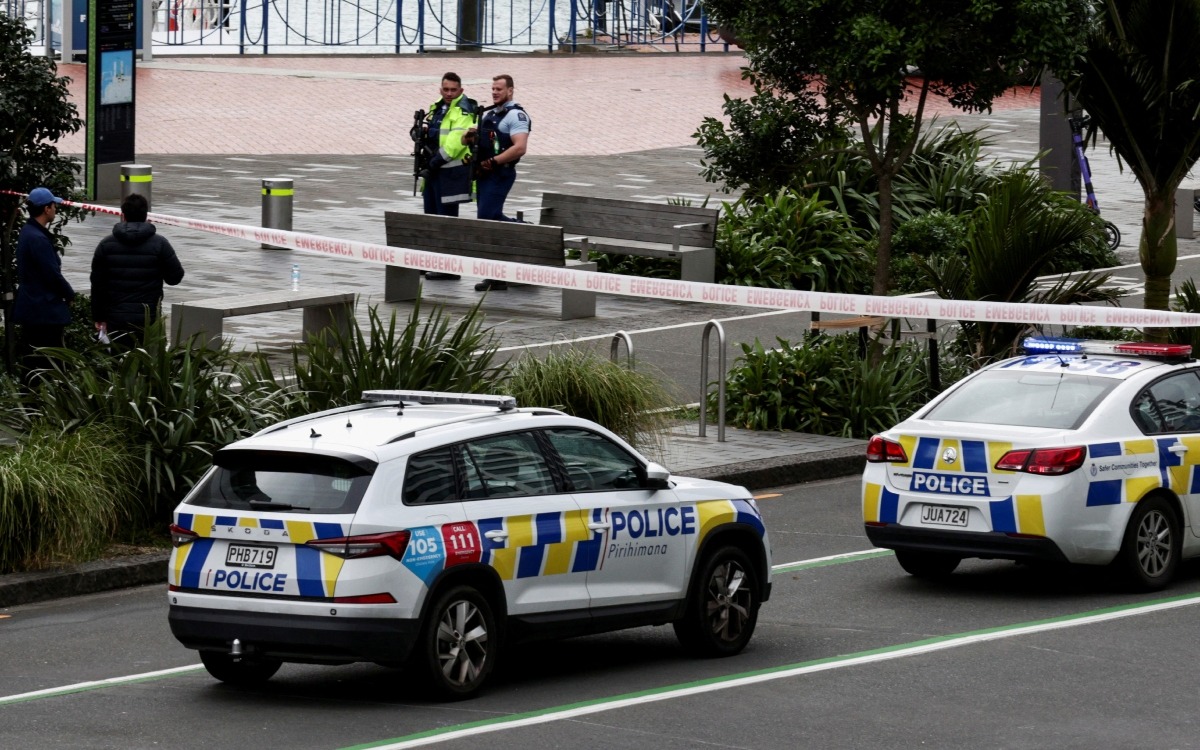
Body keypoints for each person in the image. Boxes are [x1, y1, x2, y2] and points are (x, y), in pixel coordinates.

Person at [90, 193, 185, 346]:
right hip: (148, 318)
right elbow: (175, 278)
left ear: (123, 216)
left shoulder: (106, 245)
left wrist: (98, 316)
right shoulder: (160, 244)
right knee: (148, 363)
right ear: (146, 215)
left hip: (116, 318)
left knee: (119, 363)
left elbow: (97, 285)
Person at [470, 74, 531, 292]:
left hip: (500, 173)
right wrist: (469, 137)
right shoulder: (489, 115)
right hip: (485, 175)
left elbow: (520, 147)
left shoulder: (516, 115)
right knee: (490, 220)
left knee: (487, 218)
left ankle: (525, 231)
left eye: (499, 89)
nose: (495, 92)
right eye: (493, 89)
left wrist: (493, 162)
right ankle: (496, 275)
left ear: (510, 91)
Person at [419, 72, 477, 280]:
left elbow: (454, 143)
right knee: (432, 217)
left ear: (461, 90)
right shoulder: (437, 106)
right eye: (446, 89)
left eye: (453, 90)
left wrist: (433, 163)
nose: (449, 93)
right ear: (440, 89)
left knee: (447, 221)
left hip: (450, 173)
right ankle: (433, 262)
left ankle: (450, 269)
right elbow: (435, 134)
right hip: (434, 172)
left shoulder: (464, 110)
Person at [13, 187, 74, 373]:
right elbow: (52, 274)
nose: (56, 209)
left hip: (33, 307)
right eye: (54, 205)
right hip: (43, 311)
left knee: (33, 360)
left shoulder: (28, 232)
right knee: (48, 362)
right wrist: (69, 294)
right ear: (47, 209)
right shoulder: (38, 239)